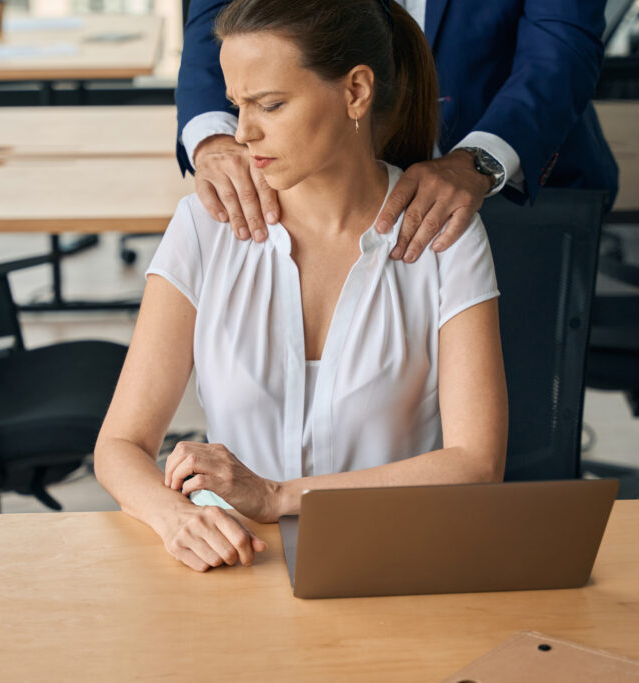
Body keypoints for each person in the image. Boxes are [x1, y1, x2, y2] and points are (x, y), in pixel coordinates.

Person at [95, 0, 507, 572]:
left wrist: (279, 497)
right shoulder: (203, 226)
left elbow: (477, 463)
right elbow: (120, 447)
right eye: (237, 105)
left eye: (271, 104)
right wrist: (174, 518)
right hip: (238, 571)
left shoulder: (443, 233)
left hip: (395, 568)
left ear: (355, 91)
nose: (243, 132)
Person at [177, 0, 618, 262]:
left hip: (508, 183)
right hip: (320, 187)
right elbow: (217, 17)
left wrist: (480, 162)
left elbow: (562, 39)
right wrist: (216, 137)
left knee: (521, 403)